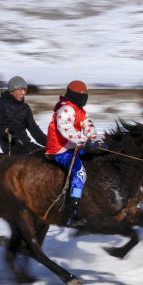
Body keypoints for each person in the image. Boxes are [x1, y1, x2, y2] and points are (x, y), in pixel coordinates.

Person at [45, 80, 103, 228]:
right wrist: (84, 139)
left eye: (86, 94)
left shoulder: (80, 111)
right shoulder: (65, 109)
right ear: (74, 95)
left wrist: (95, 139)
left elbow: (88, 126)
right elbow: (65, 129)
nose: (85, 97)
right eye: (82, 94)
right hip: (60, 148)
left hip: (74, 146)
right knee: (80, 173)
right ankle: (73, 213)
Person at [0, 76, 47, 155]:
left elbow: (34, 129)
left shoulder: (25, 107)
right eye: (20, 90)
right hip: (10, 145)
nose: (23, 93)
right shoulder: (0, 105)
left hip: (26, 142)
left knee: (45, 155)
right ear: (12, 91)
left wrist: (49, 143)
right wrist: (7, 131)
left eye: (25, 90)